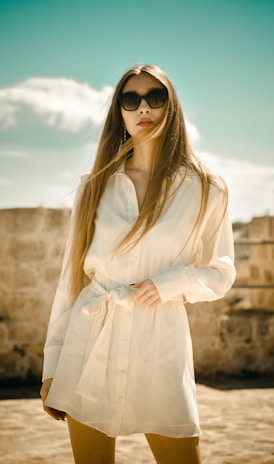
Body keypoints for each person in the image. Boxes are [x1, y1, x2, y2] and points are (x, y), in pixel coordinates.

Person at [40, 64, 236, 464]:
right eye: (131, 99)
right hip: (89, 337)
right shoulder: (94, 184)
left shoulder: (205, 188)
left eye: (155, 97)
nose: (143, 107)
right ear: (120, 113)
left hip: (160, 337)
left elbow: (220, 273)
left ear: (172, 107)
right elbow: (70, 280)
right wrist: (52, 365)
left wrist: (171, 281)